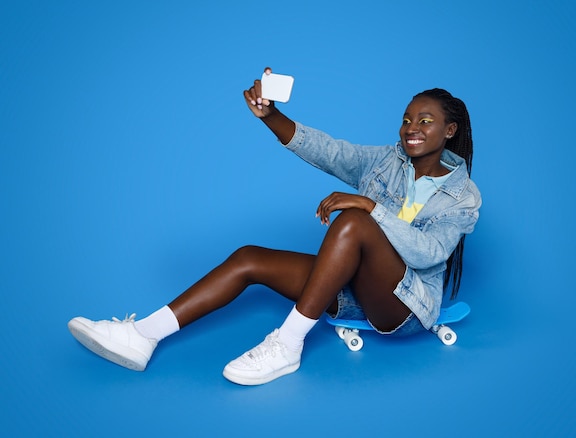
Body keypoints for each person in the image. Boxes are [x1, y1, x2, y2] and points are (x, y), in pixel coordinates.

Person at [68, 69, 482, 386]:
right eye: (407, 119)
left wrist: (370, 206)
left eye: (425, 121)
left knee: (355, 219)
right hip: (354, 292)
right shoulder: (385, 161)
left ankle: (287, 344)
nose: (411, 128)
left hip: (404, 308)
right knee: (250, 258)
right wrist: (271, 116)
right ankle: (142, 335)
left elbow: (429, 253)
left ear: (449, 131)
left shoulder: (463, 195)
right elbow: (328, 151)